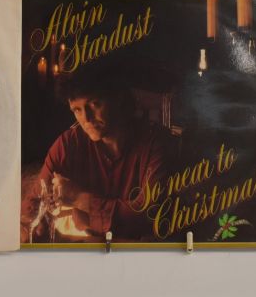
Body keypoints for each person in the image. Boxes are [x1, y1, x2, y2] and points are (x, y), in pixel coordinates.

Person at [22, 70, 174, 242]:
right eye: (77, 110)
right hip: (87, 248)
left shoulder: (155, 143)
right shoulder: (68, 143)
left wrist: (79, 198)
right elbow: (32, 205)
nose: (86, 118)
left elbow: (149, 216)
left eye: (94, 104)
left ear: (118, 98)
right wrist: (35, 224)